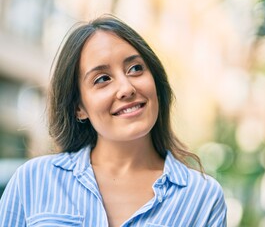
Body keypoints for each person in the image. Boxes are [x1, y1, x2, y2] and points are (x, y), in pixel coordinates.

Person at [0, 14, 227, 227]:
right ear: (79, 107)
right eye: (102, 79)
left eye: (136, 68)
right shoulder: (34, 179)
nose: (126, 88)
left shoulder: (203, 198)